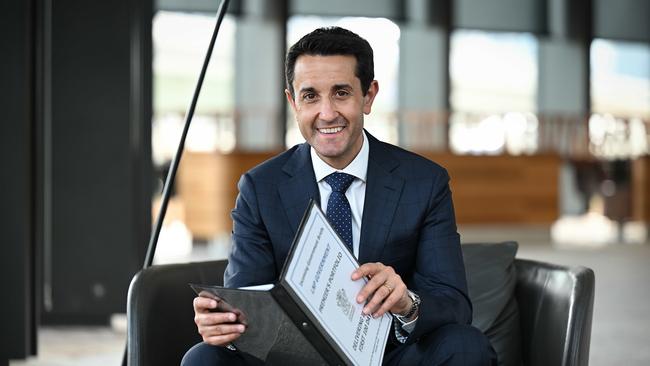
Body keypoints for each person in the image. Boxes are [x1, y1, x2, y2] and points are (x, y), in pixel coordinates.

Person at [182, 26, 496, 365]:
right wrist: (224, 323)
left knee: (466, 345)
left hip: (391, 356)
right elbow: (246, 299)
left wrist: (408, 302)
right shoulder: (260, 188)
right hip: (294, 359)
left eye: (341, 93)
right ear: (293, 101)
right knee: (204, 358)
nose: (327, 113)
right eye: (310, 96)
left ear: (369, 96)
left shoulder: (424, 182)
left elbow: (453, 303)